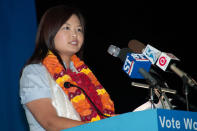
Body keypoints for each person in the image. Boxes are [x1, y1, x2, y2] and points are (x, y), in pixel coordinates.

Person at [19, 5, 115, 131]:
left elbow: (101, 117)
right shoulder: (34, 72)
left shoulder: (83, 75)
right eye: (67, 28)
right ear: (50, 31)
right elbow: (50, 122)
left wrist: (120, 122)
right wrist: (101, 127)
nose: (75, 34)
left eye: (79, 29)